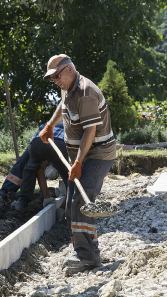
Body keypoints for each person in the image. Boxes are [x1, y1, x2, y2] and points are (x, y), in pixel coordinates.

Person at [39, 54, 116, 274]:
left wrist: (79, 162)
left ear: (69, 70)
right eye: (52, 78)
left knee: (82, 205)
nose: (55, 81)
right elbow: (63, 105)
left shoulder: (85, 93)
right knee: (72, 204)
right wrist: (50, 125)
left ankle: (87, 258)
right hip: (83, 156)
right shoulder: (68, 87)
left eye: (56, 76)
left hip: (97, 154)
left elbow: (90, 131)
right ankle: (88, 251)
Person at [0, 122, 69, 212]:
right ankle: (66, 208)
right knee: (69, 178)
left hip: (39, 141)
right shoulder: (74, 126)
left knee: (30, 168)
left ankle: (22, 202)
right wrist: (62, 208)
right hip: (62, 144)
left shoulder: (49, 124)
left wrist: (47, 198)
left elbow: (31, 151)